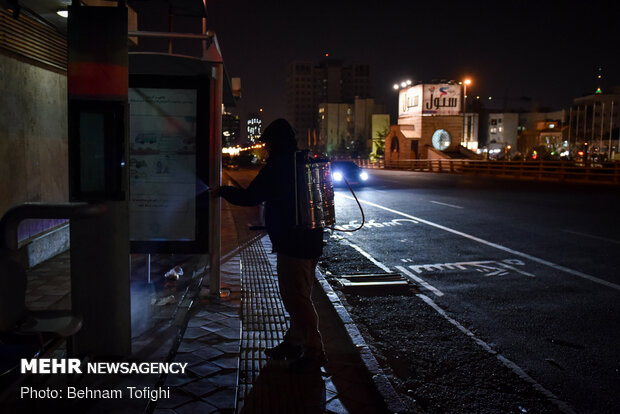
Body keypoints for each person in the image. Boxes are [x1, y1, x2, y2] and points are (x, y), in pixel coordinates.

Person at [215, 118, 327, 371]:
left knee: (296, 299)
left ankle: (314, 350)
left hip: (292, 243)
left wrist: (222, 191)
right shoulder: (302, 162)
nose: (266, 148)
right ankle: (294, 341)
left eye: (268, 143)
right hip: (311, 240)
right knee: (299, 296)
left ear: (274, 143)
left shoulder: (277, 166)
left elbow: (251, 197)